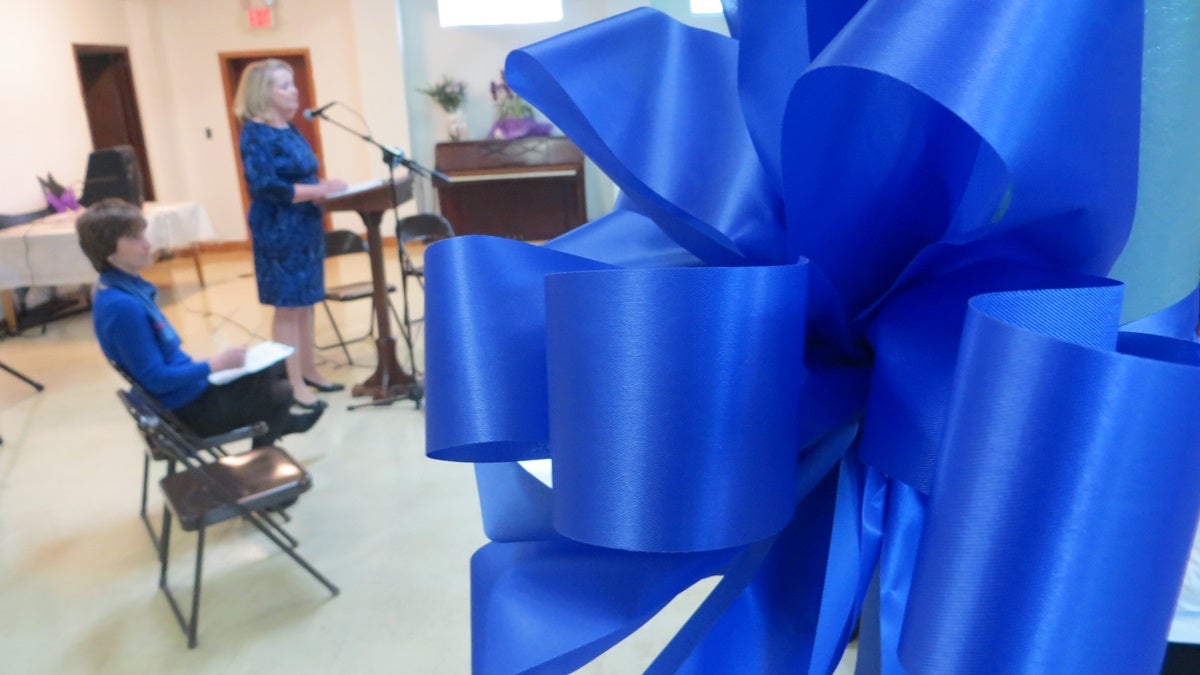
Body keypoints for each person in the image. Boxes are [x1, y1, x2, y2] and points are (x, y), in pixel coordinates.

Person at [77, 198, 324, 447]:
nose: (147, 244)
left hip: (183, 393)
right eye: (133, 239)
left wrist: (213, 366)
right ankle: (264, 461)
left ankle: (282, 425)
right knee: (281, 393)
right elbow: (156, 378)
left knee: (274, 366)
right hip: (184, 411)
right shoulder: (123, 306)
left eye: (142, 234)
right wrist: (214, 365)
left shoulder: (118, 288)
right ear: (108, 251)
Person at [233, 58, 348, 408]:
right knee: (288, 308)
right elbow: (266, 186)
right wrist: (317, 190)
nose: (293, 90)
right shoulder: (256, 133)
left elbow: (305, 175)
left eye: (292, 83)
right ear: (261, 93)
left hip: (305, 226)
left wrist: (321, 187)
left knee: (306, 302)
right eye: (283, 85)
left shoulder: (289, 127)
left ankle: (310, 370)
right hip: (278, 230)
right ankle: (292, 382)